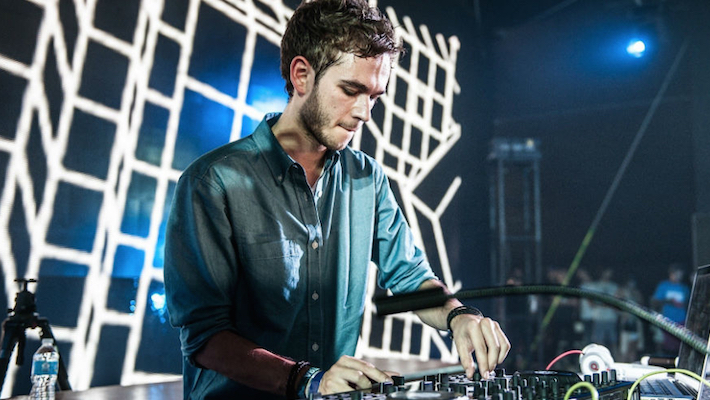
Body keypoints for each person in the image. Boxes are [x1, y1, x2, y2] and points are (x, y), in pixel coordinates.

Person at [163, 1, 510, 399]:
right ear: (301, 75)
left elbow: (411, 279)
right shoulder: (213, 183)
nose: (365, 112)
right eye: (351, 90)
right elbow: (205, 338)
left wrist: (458, 316)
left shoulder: (367, 179)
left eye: (375, 96)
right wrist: (305, 380)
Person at [651, 263, 690, 356]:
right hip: (666, 321)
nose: (679, 277)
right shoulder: (664, 286)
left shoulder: (684, 288)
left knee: (679, 346)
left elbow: (688, 303)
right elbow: (654, 301)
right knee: (664, 346)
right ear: (671, 274)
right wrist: (668, 301)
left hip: (681, 321)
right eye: (677, 274)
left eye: (681, 275)